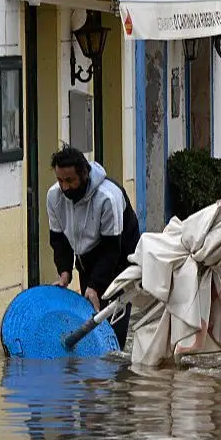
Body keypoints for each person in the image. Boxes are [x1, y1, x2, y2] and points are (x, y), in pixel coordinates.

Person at [47, 145, 141, 349]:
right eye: (60, 180)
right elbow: (59, 240)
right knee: (90, 318)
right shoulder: (54, 197)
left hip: (121, 259)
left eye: (70, 181)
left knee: (112, 322)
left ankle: (115, 368)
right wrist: (64, 272)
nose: (64, 187)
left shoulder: (108, 197)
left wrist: (95, 285)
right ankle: (91, 374)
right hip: (86, 257)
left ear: (84, 175)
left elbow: (111, 250)